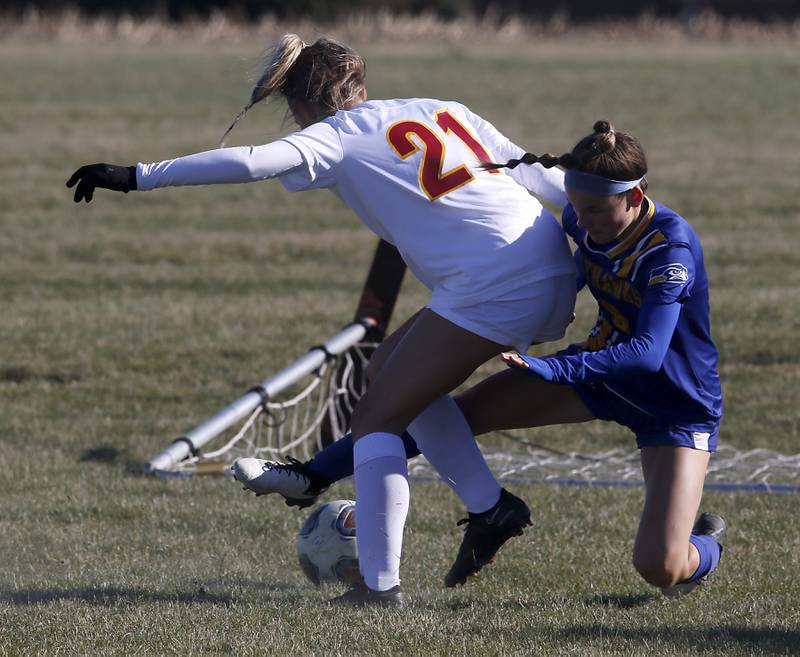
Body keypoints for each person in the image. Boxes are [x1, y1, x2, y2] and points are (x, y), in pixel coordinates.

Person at [66, 35, 578, 607]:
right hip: (543, 258)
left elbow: (251, 161)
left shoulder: (333, 137)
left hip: (498, 284)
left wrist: (137, 174)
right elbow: (541, 175)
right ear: (360, 86)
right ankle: (491, 509)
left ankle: (381, 590)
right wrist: (620, 227)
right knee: (387, 370)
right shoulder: (440, 109)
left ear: (300, 106)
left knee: (379, 418)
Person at [235, 120, 727, 598]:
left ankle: (708, 546)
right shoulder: (587, 215)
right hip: (598, 375)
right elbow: (585, 261)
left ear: (635, 198)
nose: (583, 222)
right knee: (441, 413)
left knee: (660, 566)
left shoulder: (671, 253)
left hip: (674, 405)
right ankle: (316, 473)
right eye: (575, 208)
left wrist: (552, 368)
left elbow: (646, 354)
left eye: (596, 211)